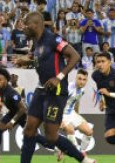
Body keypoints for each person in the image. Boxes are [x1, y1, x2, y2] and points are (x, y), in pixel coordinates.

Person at [17, 11, 95, 163]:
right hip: (42, 89)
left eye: (27, 24)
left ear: (36, 24)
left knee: (51, 136)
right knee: (29, 129)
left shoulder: (53, 39)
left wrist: (59, 77)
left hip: (56, 91)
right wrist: (27, 62)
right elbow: (43, 62)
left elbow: (75, 56)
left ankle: (83, 160)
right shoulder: (37, 42)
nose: (24, 28)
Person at [0, 68, 28, 163]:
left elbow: (23, 108)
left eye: (0, 80)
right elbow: (4, 99)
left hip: (23, 115)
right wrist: (1, 104)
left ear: (6, 80)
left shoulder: (12, 92)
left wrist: (12, 122)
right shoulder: (0, 88)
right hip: (13, 112)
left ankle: (58, 147)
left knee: (34, 136)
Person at [61, 70, 97, 160]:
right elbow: (58, 103)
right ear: (75, 78)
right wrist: (60, 119)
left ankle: (82, 151)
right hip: (61, 114)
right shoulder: (68, 88)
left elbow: (76, 102)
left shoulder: (82, 90)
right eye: (79, 78)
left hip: (71, 113)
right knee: (70, 130)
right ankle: (81, 157)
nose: (81, 81)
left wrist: (77, 115)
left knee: (89, 132)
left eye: (84, 79)